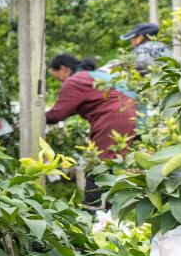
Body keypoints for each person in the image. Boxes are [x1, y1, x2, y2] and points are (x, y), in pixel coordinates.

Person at [46, 54, 138, 204]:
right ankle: (113, 207)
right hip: (132, 115)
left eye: (58, 77)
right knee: (118, 164)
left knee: (98, 167)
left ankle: (95, 210)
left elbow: (58, 113)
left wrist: (36, 118)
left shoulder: (74, 80)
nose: (61, 82)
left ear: (64, 69)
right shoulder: (96, 75)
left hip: (113, 120)